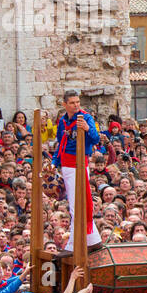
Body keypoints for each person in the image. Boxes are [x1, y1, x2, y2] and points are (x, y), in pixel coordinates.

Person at [53, 88, 103, 252]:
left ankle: (74, 244)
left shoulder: (86, 117)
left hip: (80, 162)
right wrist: (55, 162)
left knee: (78, 204)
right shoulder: (63, 121)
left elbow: (96, 139)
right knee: (75, 203)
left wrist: (87, 129)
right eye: (72, 103)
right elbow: (61, 143)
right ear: (65, 104)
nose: (76, 105)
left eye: (77, 102)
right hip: (66, 163)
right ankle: (93, 239)